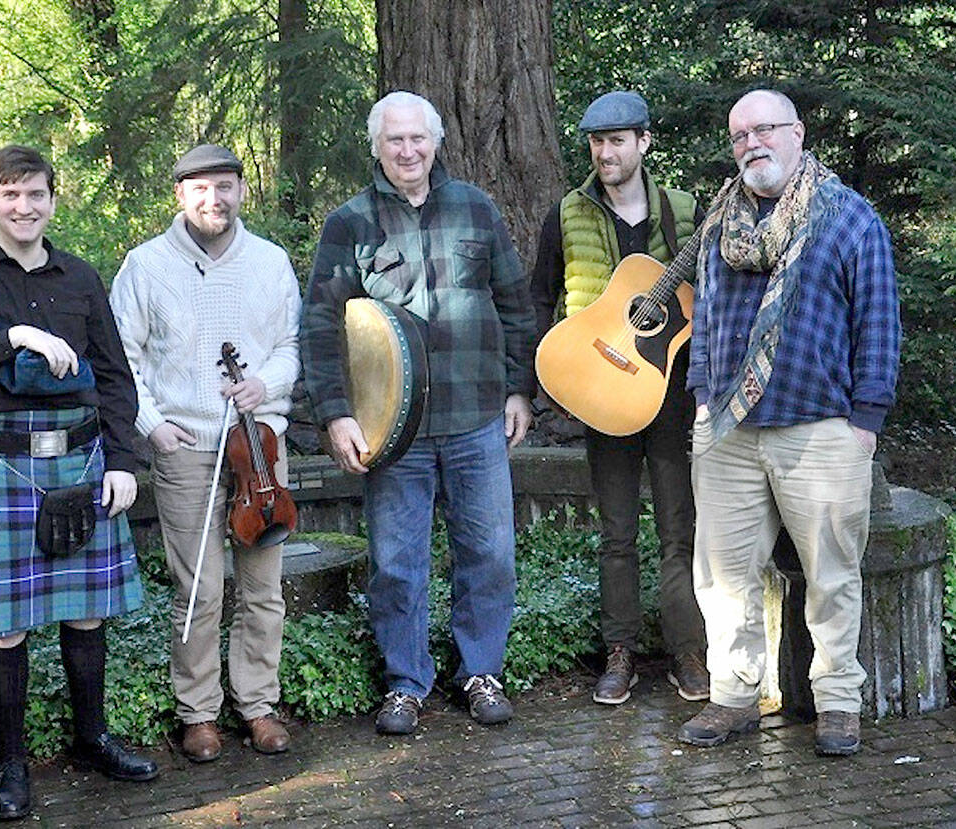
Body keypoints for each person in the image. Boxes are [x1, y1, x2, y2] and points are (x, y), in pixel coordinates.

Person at [0, 145, 158, 822]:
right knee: (8, 628)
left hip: (82, 460)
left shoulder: (79, 276)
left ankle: (92, 737)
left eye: (36, 194)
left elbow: (113, 374)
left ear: (54, 199)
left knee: (87, 611)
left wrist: (122, 460)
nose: (24, 207)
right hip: (2, 464)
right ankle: (13, 761)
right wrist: (14, 336)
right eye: (11, 195)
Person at [300, 91, 537, 735]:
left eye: (418, 139)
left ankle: (481, 671)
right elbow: (321, 326)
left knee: (489, 552)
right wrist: (336, 414)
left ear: (436, 143)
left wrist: (521, 390)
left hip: (477, 416)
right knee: (397, 562)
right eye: (394, 140)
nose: (408, 151)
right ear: (376, 147)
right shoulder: (349, 224)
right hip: (392, 430)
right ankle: (406, 682)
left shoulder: (476, 209)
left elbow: (516, 305)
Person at [677, 89, 900, 756]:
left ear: (798, 133)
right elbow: (706, 320)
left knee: (832, 574)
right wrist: (701, 397)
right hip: (727, 434)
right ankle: (734, 697)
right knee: (723, 577)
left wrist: (866, 421)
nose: (752, 143)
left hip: (822, 431)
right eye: (740, 134)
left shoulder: (848, 218)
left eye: (765, 129)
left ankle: (836, 702)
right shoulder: (721, 224)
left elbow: (879, 324)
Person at [109, 145, 300, 760]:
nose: (214, 199)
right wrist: (152, 425)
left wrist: (264, 384)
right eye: (200, 189)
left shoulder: (270, 262)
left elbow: (292, 345)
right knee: (199, 588)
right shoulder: (145, 265)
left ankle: (259, 705)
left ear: (242, 190)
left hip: (260, 445)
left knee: (262, 586)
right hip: (186, 445)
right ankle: (199, 713)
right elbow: (121, 359)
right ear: (180, 196)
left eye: (225, 186)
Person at [531, 90, 708, 706]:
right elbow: (540, 297)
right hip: (601, 391)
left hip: (670, 392)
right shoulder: (567, 213)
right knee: (616, 533)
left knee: (678, 530)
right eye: (597, 142)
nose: (606, 152)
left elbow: (712, 302)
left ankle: (688, 649)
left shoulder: (685, 212)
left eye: (617, 141)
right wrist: (530, 387)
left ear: (644, 143)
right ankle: (621, 652)